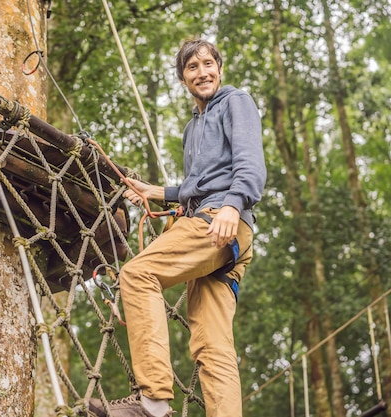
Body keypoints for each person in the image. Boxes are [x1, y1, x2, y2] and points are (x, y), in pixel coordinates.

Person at [89, 38, 266, 417]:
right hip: (214, 222)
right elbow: (199, 184)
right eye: (192, 67)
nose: (202, 72)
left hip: (221, 220)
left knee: (137, 275)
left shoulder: (236, 101)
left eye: (208, 64)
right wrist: (158, 192)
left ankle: (152, 401)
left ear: (220, 68)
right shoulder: (193, 128)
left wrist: (232, 207)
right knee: (212, 345)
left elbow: (250, 164)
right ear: (183, 78)